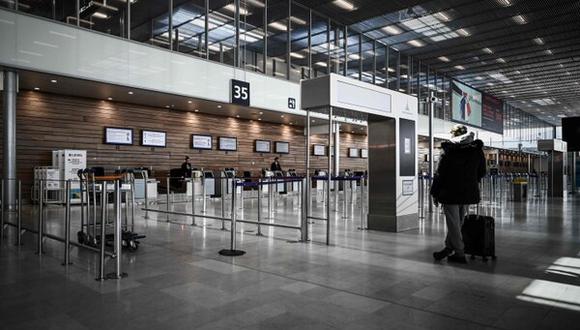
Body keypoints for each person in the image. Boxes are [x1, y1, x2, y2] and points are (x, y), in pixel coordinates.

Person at [430, 124, 486, 264]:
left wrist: (435, 193)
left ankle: (460, 253)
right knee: (458, 222)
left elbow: (440, 175)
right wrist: (471, 181)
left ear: (454, 136)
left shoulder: (449, 151)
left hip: (450, 193)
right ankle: (449, 248)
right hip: (468, 193)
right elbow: (482, 172)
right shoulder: (477, 151)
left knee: (453, 224)